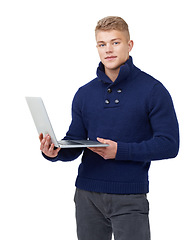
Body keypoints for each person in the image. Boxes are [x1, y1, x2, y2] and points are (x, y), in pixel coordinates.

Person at [39, 16, 179, 240]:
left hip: (129, 196)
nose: (108, 50)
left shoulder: (153, 90)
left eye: (115, 42)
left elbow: (169, 145)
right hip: (86, 195)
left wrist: (119, 151)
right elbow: (75, 141)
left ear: (129, 45)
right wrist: (55, 151)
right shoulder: (84, 93)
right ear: (97, 47)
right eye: (102, 44)